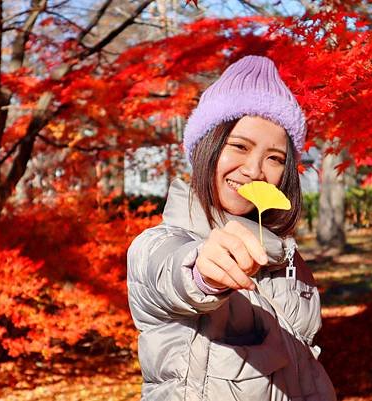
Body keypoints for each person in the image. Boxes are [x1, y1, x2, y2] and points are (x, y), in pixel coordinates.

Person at [127, 55, 337, 401]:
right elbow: (169, 273)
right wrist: (203, 275)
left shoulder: (287, 258)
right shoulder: (160, 243)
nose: (255, 169)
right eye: (239, 146)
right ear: (206, 147)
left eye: (275, 158)